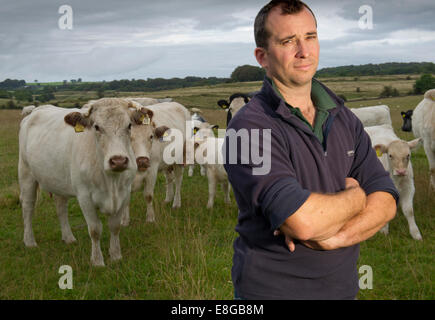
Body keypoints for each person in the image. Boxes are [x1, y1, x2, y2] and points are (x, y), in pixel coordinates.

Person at [223, 0, 399, 300]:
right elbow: (302, 222)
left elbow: (386, 201)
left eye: (310, 37)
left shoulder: (343, 118)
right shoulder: (249, 128)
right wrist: (357, 196)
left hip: (342, 290)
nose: (304, 51)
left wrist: (336, 237)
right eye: (288, 41)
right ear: (262, 57)